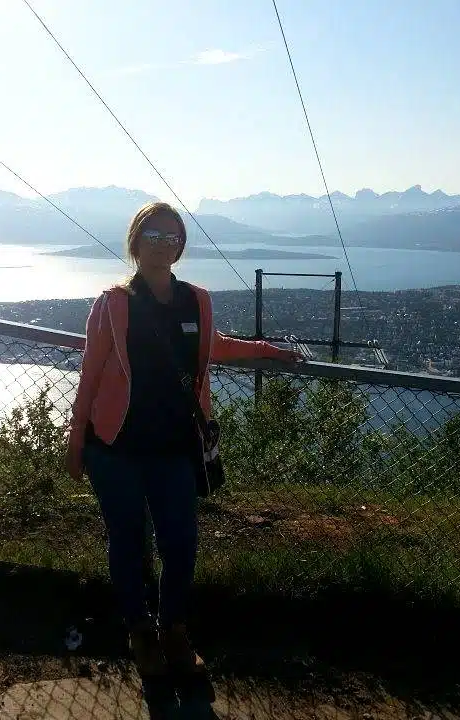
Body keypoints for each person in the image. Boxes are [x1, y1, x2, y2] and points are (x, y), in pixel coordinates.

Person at [65, 201, 303, 677]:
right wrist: (76, 442)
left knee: (180, 542)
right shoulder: (113, 303)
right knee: (128, 541)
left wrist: (269, 350)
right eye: (153, 236)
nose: (163, 244)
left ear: (180, 247)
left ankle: (173, 631)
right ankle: (140, 633)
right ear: (135, 241)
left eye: (172, 237)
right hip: (115, 448)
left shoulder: (197, 300)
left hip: (175, 448)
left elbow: (213, 345)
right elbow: (90, 376)